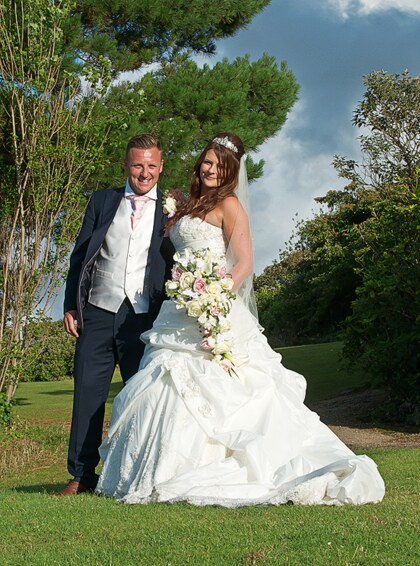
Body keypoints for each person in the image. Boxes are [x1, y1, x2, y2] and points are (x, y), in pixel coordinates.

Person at [95, 132, 385, 506]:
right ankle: (153, 471)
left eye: (219, 166)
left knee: (228, 390)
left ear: (231, 172)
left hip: (212, 309)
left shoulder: (230, 205)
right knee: (162, 383)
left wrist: (213, 300)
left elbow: (244, 264)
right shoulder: (188, 204)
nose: (210, 169)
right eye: (207, 162)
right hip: (177, 310)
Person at [54, 134, 174, 496]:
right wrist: (70, 305)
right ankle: (81, 476)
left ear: (161, 166)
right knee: (88, 395)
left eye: (152, 165)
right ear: (126, 165)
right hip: (97, 311)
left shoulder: (171, 209)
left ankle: (134, 475)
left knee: (141, 398)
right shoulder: (102, 201)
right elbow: (79, 257)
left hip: (144, 318)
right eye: (138, 164)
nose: (144, 172)